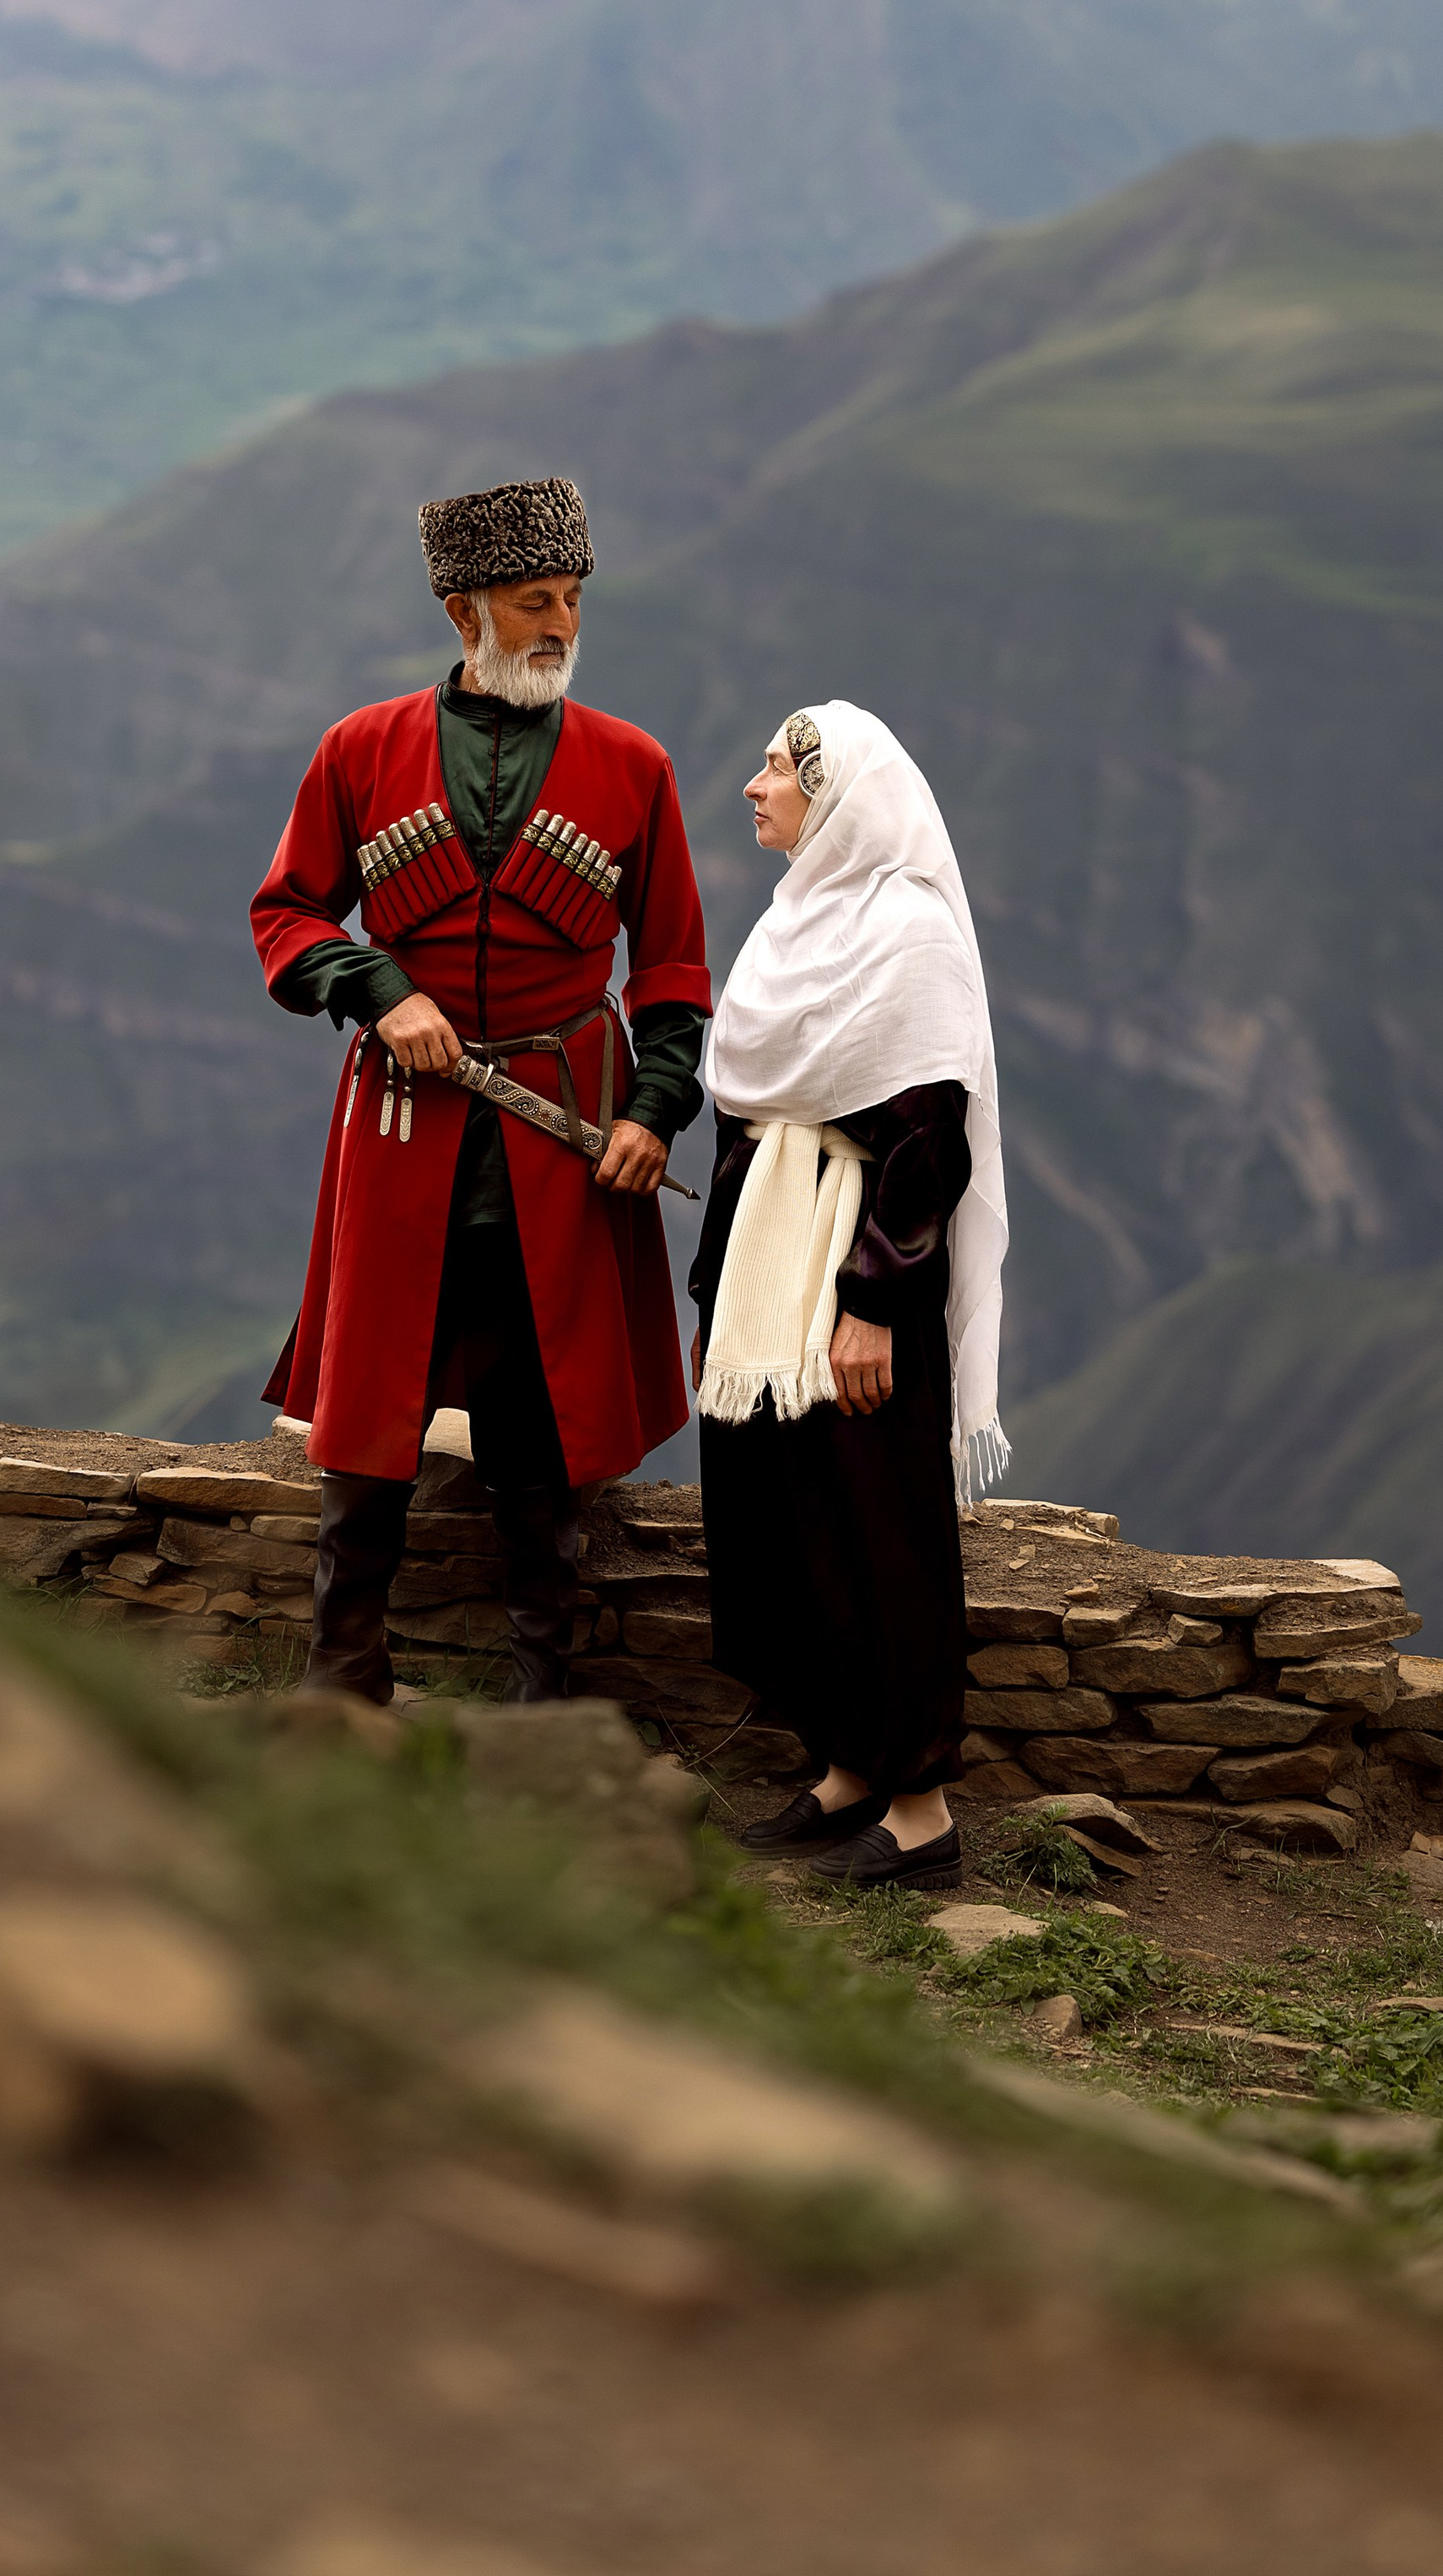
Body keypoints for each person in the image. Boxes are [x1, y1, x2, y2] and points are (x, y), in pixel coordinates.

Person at [251, 476, 711, 1703]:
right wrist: (377, 988)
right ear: (464, 612)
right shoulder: (360, 750)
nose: (561, 624)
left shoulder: (635, 766)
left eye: (573, 599)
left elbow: (672, 968)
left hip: (568, 1131)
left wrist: (653, 1109)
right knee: (374, 1393)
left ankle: (542, 1698)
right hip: (403, 1120)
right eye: (533, 601)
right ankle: (342, 1678)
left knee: (540, 1404)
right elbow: (287, 915)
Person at [689, 701, 1009, 1891]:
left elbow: (928, 1137)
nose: (754, 784)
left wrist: (873, 1300)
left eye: (779, 768)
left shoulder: (908, 932)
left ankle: (921, 1809)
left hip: (859, 1276)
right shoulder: (796, 921)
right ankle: (846, 1764)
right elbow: (751, 1112)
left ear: (835, 799)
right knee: (793, 1522)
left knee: (881, 1529)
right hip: (769, 1272)